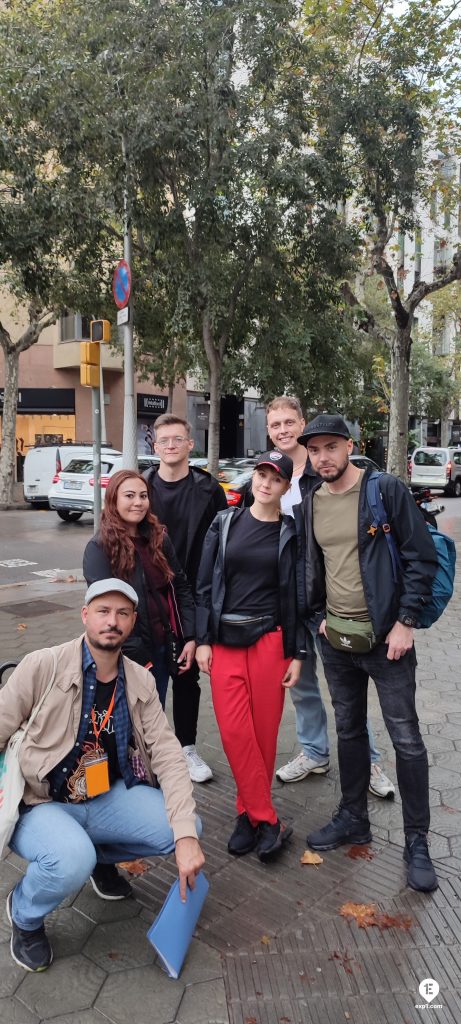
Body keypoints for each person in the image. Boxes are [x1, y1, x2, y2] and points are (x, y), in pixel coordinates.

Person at [0, 579, 204, 973]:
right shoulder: (43, 665)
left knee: (184, 826)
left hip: (102, 796)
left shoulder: (139, 681)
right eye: (103, 612)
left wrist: (186, 838)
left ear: (132, 623)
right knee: (69, 859)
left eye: (122, 614)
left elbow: (167, 755)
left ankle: (97, 858)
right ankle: (24, 914)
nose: (112, 622)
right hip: (43, 803)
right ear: (85, 616)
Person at [301, 414, 439, 893]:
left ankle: (417, 841)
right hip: (336, 640)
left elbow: (423, 556)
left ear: (349, 446)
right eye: (315, 450)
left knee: (406, 739)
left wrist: (406, 623)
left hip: (388, 641)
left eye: (331, 447)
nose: (323, 457)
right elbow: (312, 563)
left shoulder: (386, 491)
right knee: (348, 729)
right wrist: (316, 613)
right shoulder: (311, 501)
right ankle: (353, 818)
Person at [251, 396, 395, 799]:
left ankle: (368, 761)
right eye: (275, 424)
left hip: (328, 596)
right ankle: (314, 752)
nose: (282, 430)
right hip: (284, 597)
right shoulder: (269, 473)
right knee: (300, 683)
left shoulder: (324, 471)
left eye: (289, 422)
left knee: (346, 687)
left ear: (302, 424)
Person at [195, 451, 305, 862]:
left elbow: (297, 597)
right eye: (261, 474)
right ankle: (268, 818)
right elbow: (203, 584)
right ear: (253, 477)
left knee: (263, 736)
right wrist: (202, 638)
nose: (265, 483)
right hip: (224, 642)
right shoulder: (225, 523)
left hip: (270, 642)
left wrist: (298, 653)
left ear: (285, 487)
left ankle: (246, 815)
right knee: (234, 733)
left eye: (274, 479)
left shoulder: (290, 533)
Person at [144, 414, 228, 783]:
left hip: (192, 592)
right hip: (149, 594)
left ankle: (187, 747)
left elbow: (226, 542)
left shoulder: (208, 490)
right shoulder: (142, 486)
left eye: (178, 439)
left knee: (185, 671)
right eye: (164, 441)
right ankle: (147, 748)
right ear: (155, 446)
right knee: (146, 673)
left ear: (190, 444)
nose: (171, 446)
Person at [83, 470, 196, 710]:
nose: (138, 502)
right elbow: (105, 612)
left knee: (154, 717)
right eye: (130, 495)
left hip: (162, 648)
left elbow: (180, 587)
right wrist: (139, 659)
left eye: (143, 496)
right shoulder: (99, 547)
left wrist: (189, 636)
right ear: (113, 500)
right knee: (125, 724)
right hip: (122, 655)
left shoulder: (158, 539)